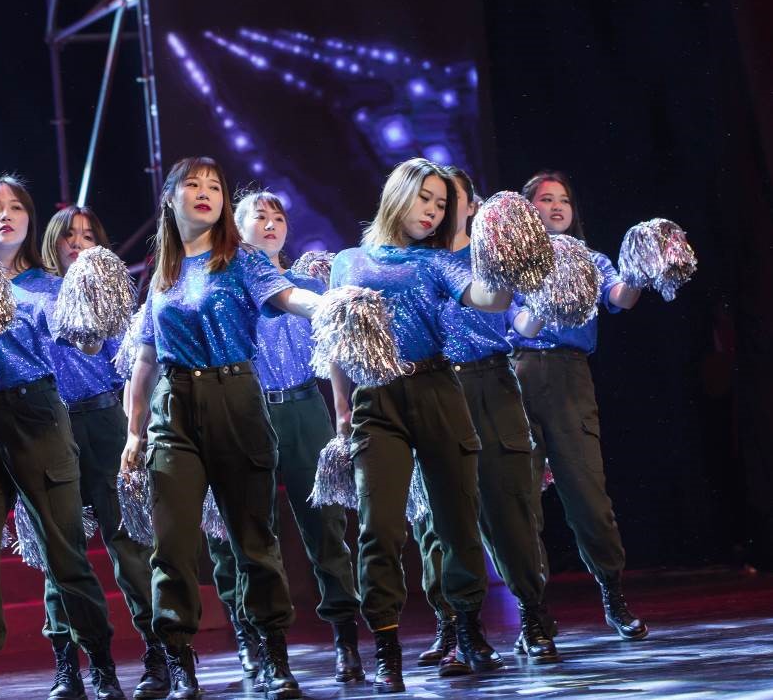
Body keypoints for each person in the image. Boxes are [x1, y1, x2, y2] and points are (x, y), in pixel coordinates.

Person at [120, 156, 322, 700]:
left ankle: (273, 655)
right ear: (171, 199)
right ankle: (180, 664)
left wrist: (329, 306)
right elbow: (145, 359)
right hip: (173, 408)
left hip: (235, 396)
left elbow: (287, 296)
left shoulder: (242, 259)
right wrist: (134, 432)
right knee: (172, 544)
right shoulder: (162, 273)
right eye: (193, 184)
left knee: (253, 538)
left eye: (215, 185)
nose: (206, 192)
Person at [329, 158, 512, 692]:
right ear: (398, 194)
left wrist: (508, 269)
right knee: (379, 529)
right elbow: (335, 340)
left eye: (441, 204)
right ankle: (387, 650)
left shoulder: (436, 262)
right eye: (424, 198)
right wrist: (341, 407)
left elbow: (487, 298)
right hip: (375, 398)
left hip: (435, 389)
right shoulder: (348, 261)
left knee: (458, 521)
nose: (432, 211)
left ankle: (469, 632)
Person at [0, 174, 122, 700]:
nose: (5, 215)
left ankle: (100, 666)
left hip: (37, 417)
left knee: (64, 554)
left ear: (29, 220)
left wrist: (93, 315)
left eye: (16, 206)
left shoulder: (48, 284)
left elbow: (88, 345)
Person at [204, 190, 364, 685]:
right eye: (259, 216)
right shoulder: (225, 287)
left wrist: (342, 409)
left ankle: (345, 635)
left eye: (278, 216)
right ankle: (253, 635)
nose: (271, 223)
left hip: (303, 407)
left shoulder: (305, 286)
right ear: (237, 227)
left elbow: (332, 351)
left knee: (326, 525)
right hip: (246, 410)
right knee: (246, 529)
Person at [410, 167, 558, 674]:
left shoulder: (491, 255)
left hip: (491, 382)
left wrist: (548, 298)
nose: (442, 207)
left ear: (472, 205)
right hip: (435, 386)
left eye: (452, 198)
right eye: (433, 199)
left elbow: (520, 321)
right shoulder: (416, 261)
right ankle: (457, 625)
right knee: (439, 520)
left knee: (510, 507)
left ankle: (532, 617)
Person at [509, 170, 648, 641]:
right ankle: (532, 612)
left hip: (570, 377)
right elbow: (517, 324)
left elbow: (621, 298)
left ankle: (613, 593)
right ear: (527, 208)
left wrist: (639, 270)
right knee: (521, 502)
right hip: (519, 375)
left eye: (564, 200)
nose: (556, 206)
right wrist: (545, 301)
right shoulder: (512, 262)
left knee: (589, 495)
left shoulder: (590, 259)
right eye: (545, 199)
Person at [38, 206, 168, 700]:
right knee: (58, 549)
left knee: (128, 540)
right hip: (49, 424)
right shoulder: (36, 291)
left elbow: (133, 365)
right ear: (52, 242)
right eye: (68, 235)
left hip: (104, 420)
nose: (78, 242)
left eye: (88, 235)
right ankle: (70, 663)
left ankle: (160, 651)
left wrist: (137, 429)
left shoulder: (110, 293)